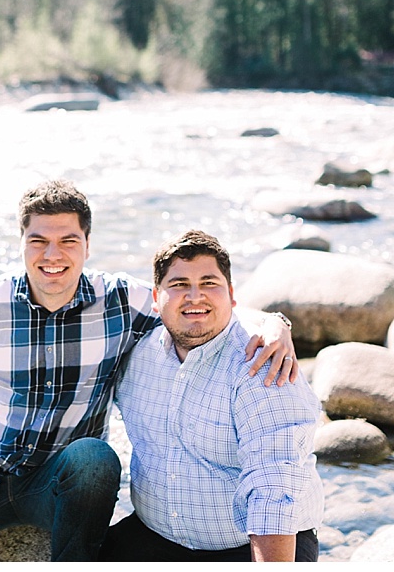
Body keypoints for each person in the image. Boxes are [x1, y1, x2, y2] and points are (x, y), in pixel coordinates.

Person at [0, 180, 299, 562]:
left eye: (67, 241)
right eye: (38, 240)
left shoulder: (123, 301)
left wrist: (275, 325)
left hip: (62, 484)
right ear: (22, 242)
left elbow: (198, 305)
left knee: (94, 457)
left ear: (87, 245)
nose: (51, 254)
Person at [100, 229, 323, 562]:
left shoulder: (263, 361)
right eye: (178, 285)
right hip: (153, 537)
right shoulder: (137, 353)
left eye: (209, 283)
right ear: (155, 299)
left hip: (246, 548)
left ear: (231, 295)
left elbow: (274, 487)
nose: (195, 297)